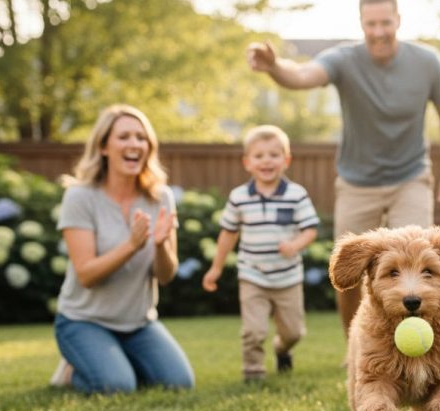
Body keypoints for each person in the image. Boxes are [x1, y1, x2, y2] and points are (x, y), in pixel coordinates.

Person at [247, 0, 440, 337]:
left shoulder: (427, 61)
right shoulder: (344, 60)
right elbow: (302, 76)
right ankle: (357, 345)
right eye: (370, 24)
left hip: (410, 177)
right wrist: (274, 67)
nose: (378, 31)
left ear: (398, 20)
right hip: (357, 182)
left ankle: (423, 346)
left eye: (385, 23)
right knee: (347, 273)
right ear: (361, 23)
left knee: (420, 263)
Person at [50, 104, 195, 394]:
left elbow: (165, 276)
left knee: (179, 384)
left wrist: (160, 245)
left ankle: (114, 360)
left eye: (141, 138)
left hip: (138, 323)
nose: (135, 144)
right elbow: (87, 275)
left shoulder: (161, 197)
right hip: (83, 321)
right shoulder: (80, 197)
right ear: (103, 147)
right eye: (124, 137)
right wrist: (131, 245)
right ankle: (71, 370)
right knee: (117, 386)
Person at [202, 125, 319, 381]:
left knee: (294, 332)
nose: (266, 161)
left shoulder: (296, 195)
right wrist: (216, 268)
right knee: (254, 330)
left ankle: (282, 349)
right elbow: (228, 233)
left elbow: (310, 230)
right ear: (247, 162)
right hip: (252, 275)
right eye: (259, 156)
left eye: (274, 155)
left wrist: (295, 244)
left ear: (286, 160)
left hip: (288, 277)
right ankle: (253, 371)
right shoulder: (239, 197)